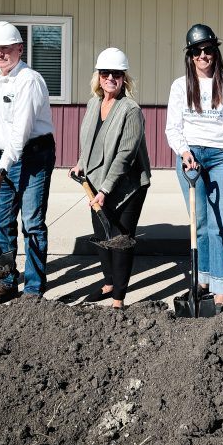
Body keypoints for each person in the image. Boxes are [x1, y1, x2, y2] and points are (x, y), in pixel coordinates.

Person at [164, 24, 223, 310]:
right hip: (191, 157)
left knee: (220, 224)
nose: (203, 56)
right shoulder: (180, 86)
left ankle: (221, 288)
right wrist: (184, 152)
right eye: (197, 51)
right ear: (190, 56)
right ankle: (202, 280)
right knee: (199, 223)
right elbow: (172, 128)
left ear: (215, 52)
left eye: (208, 50)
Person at [0, 21, 56, 305]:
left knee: (32, 223)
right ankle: (6, 283)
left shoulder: (29, 80)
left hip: (33, 156)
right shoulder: (0, 79)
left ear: (19, 49)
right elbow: (2, 121)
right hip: (5, 155)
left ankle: (33, 289)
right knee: (2, 221)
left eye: (5, 48)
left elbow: (20, 134)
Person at [71, 48, 151, 309]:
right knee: (101, 234)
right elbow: (89, 140)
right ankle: (108, 283)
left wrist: (105, 189)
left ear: (124, 78)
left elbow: (125, 156)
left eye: (116, 74)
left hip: (127, 185)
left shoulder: (131, 110)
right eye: (105, 73)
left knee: (120, 239)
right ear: (98, 76)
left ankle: (119, 298)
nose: (110, 78)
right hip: (96, 181)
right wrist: (81, 164)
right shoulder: (94, 103)